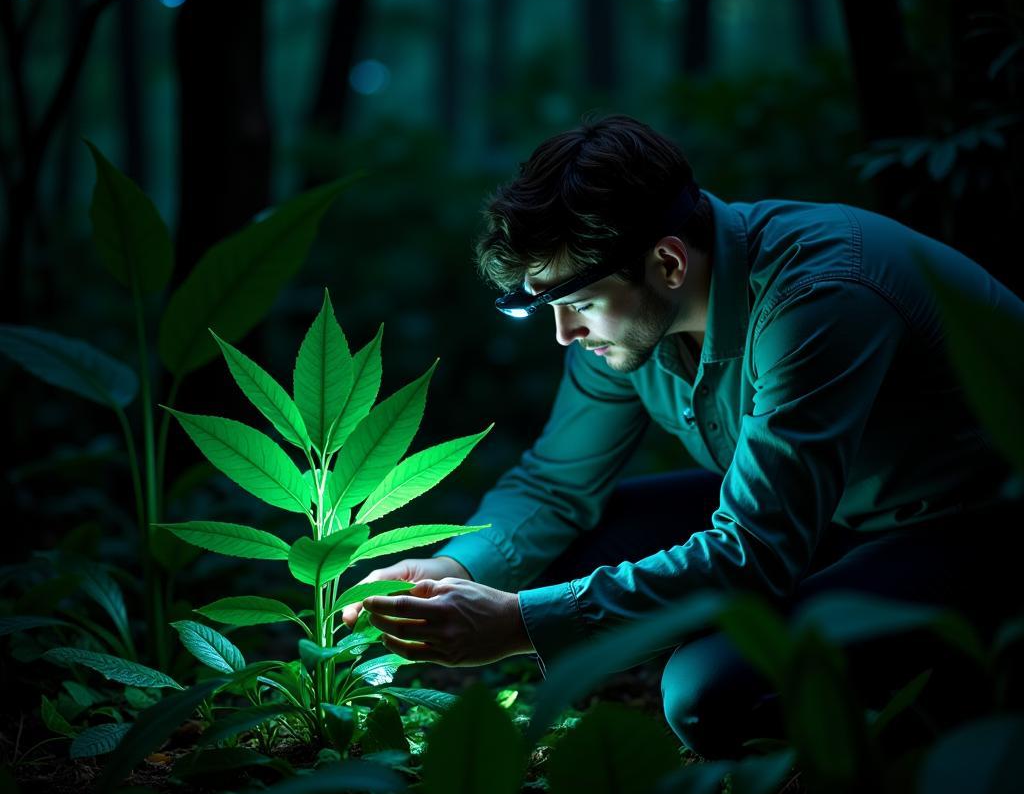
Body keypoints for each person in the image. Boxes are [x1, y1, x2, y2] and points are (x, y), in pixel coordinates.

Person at [341, 114, 1024, 759]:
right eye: (547, 307)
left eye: (576, 303)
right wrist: (453, 571)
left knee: (708, 691)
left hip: (972, 525)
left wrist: (519, 623)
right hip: (822, 519)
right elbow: (555, 483)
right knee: (540, 562)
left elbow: (756, 548)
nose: (564, 334)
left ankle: (969, 701)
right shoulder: (633, 320)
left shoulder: (820, 293)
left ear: (668, 264)